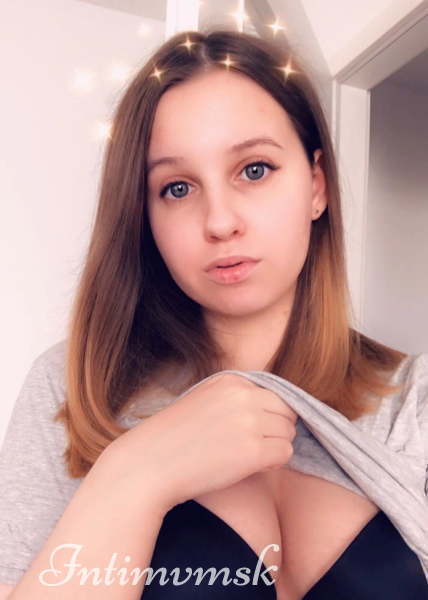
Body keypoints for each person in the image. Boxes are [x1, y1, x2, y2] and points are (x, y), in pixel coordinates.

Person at [0, 28, 427, 600]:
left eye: (254, 169)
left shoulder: (413, 404)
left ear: (317, 185)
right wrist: (136, 474)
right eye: (177, 188)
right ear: (144, 215)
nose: (220, 222)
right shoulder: (74, 391)